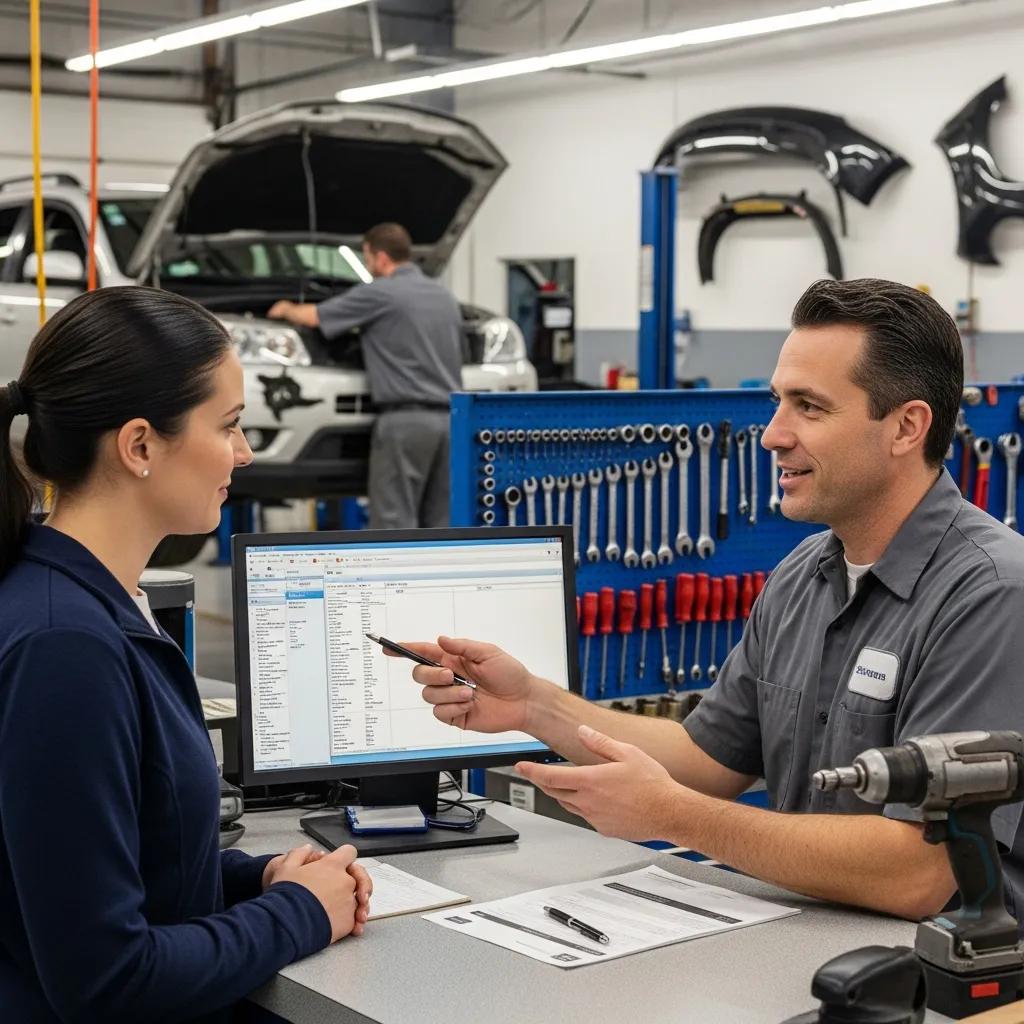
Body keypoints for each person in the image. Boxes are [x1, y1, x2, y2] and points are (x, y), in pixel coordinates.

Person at [401, 278, 1024, 925]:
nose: (773, 435)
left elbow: (919, 872)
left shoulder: (991, 596)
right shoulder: (802, 577)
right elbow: (707, 760)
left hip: (951, 971)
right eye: (779, 402)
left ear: (906, 427)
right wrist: (533, 704)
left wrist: (673, 815)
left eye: (810, 407)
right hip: (808, 941)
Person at [0, 286, 371, 1023]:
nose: (245, 451)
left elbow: (124, 864)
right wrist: (301, 912)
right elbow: (107, 981)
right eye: (228, 425)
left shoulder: (93, 602)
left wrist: (259, 878)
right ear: (140, 446)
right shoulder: (65, 647)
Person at [268, 222, 463, 530]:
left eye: (368, 258)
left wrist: (286, 308)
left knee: (393, 521)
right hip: (451, 421)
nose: (368, 265)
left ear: (381, 257)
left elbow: (315, 317)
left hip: (405, 424)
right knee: (442, 522)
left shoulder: (381, 292)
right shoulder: (445, 297)